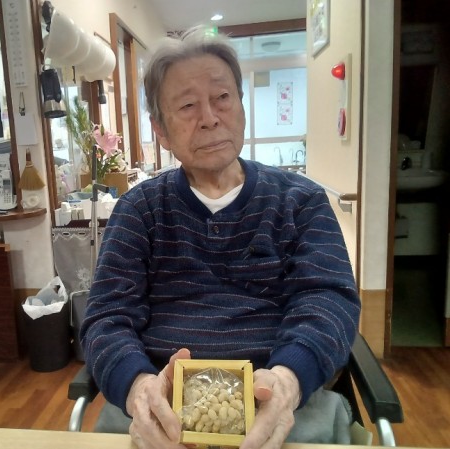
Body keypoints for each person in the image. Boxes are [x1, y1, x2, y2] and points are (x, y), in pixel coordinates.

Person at [80, 28, 360, 449]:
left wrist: (288, 380)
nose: (210, 117)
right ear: (161, 130)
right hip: (161, 402)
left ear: (242, 107)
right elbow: (107, 317)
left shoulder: (301, 201)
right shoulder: (138, 211)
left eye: (222, 98)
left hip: (281, 398)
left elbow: (328, 300)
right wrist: (138, 387)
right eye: (187, 105)